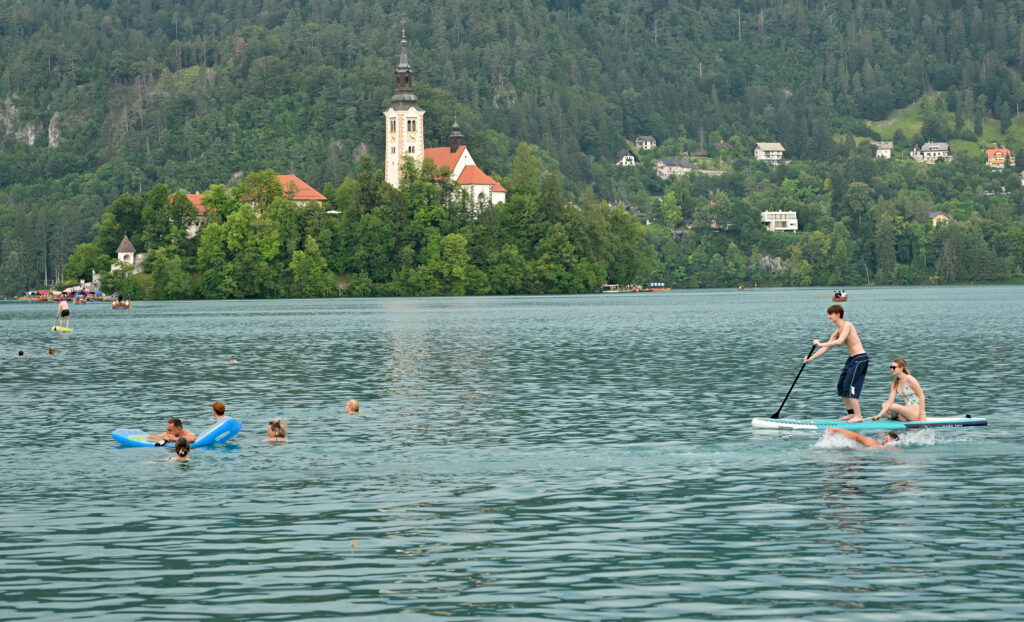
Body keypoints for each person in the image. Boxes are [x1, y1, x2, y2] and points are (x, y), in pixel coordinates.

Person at [804, 304, 869, 422]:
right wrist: (810, 358)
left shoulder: (848, 325)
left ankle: (858, 416)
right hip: (852, 359)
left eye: (830, 314)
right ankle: (851, 413)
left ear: (838, 314)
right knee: (841, 386)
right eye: (828, 314)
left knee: (850, 386)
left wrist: (820, 343)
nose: (828, 316)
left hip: (860, 358)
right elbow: (825, 348)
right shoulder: (836, 331)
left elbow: (839, 342)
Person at [826, 427, 899, 449]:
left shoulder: (876, 444)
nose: (882, 441)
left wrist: (837, 429)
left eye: (884, 439)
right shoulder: (897, 449)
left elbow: (856, 437)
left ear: (889, 440)